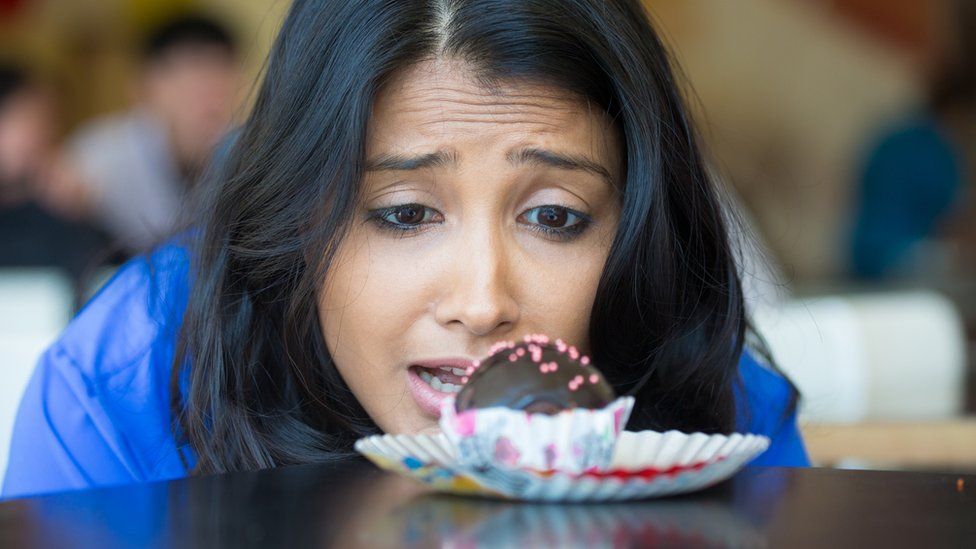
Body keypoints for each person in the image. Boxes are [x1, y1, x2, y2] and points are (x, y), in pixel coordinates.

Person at [2, 0, 808, 500]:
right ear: (293, 218)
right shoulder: (120, 395)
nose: (483, 299)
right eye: (405, 213)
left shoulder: (703, 397)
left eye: (556, 218)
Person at [54, 14, 240, 251]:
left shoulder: (245, 149)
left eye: (222, 73)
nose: (210, 94)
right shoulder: (100, 153)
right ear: (144, 86)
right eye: (192, 76)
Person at [0, 64, 109, 295]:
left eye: (49, 121)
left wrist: (77, 215)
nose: (45, 135)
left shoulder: (56, 209)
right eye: (29, 118)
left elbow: (103, 275)